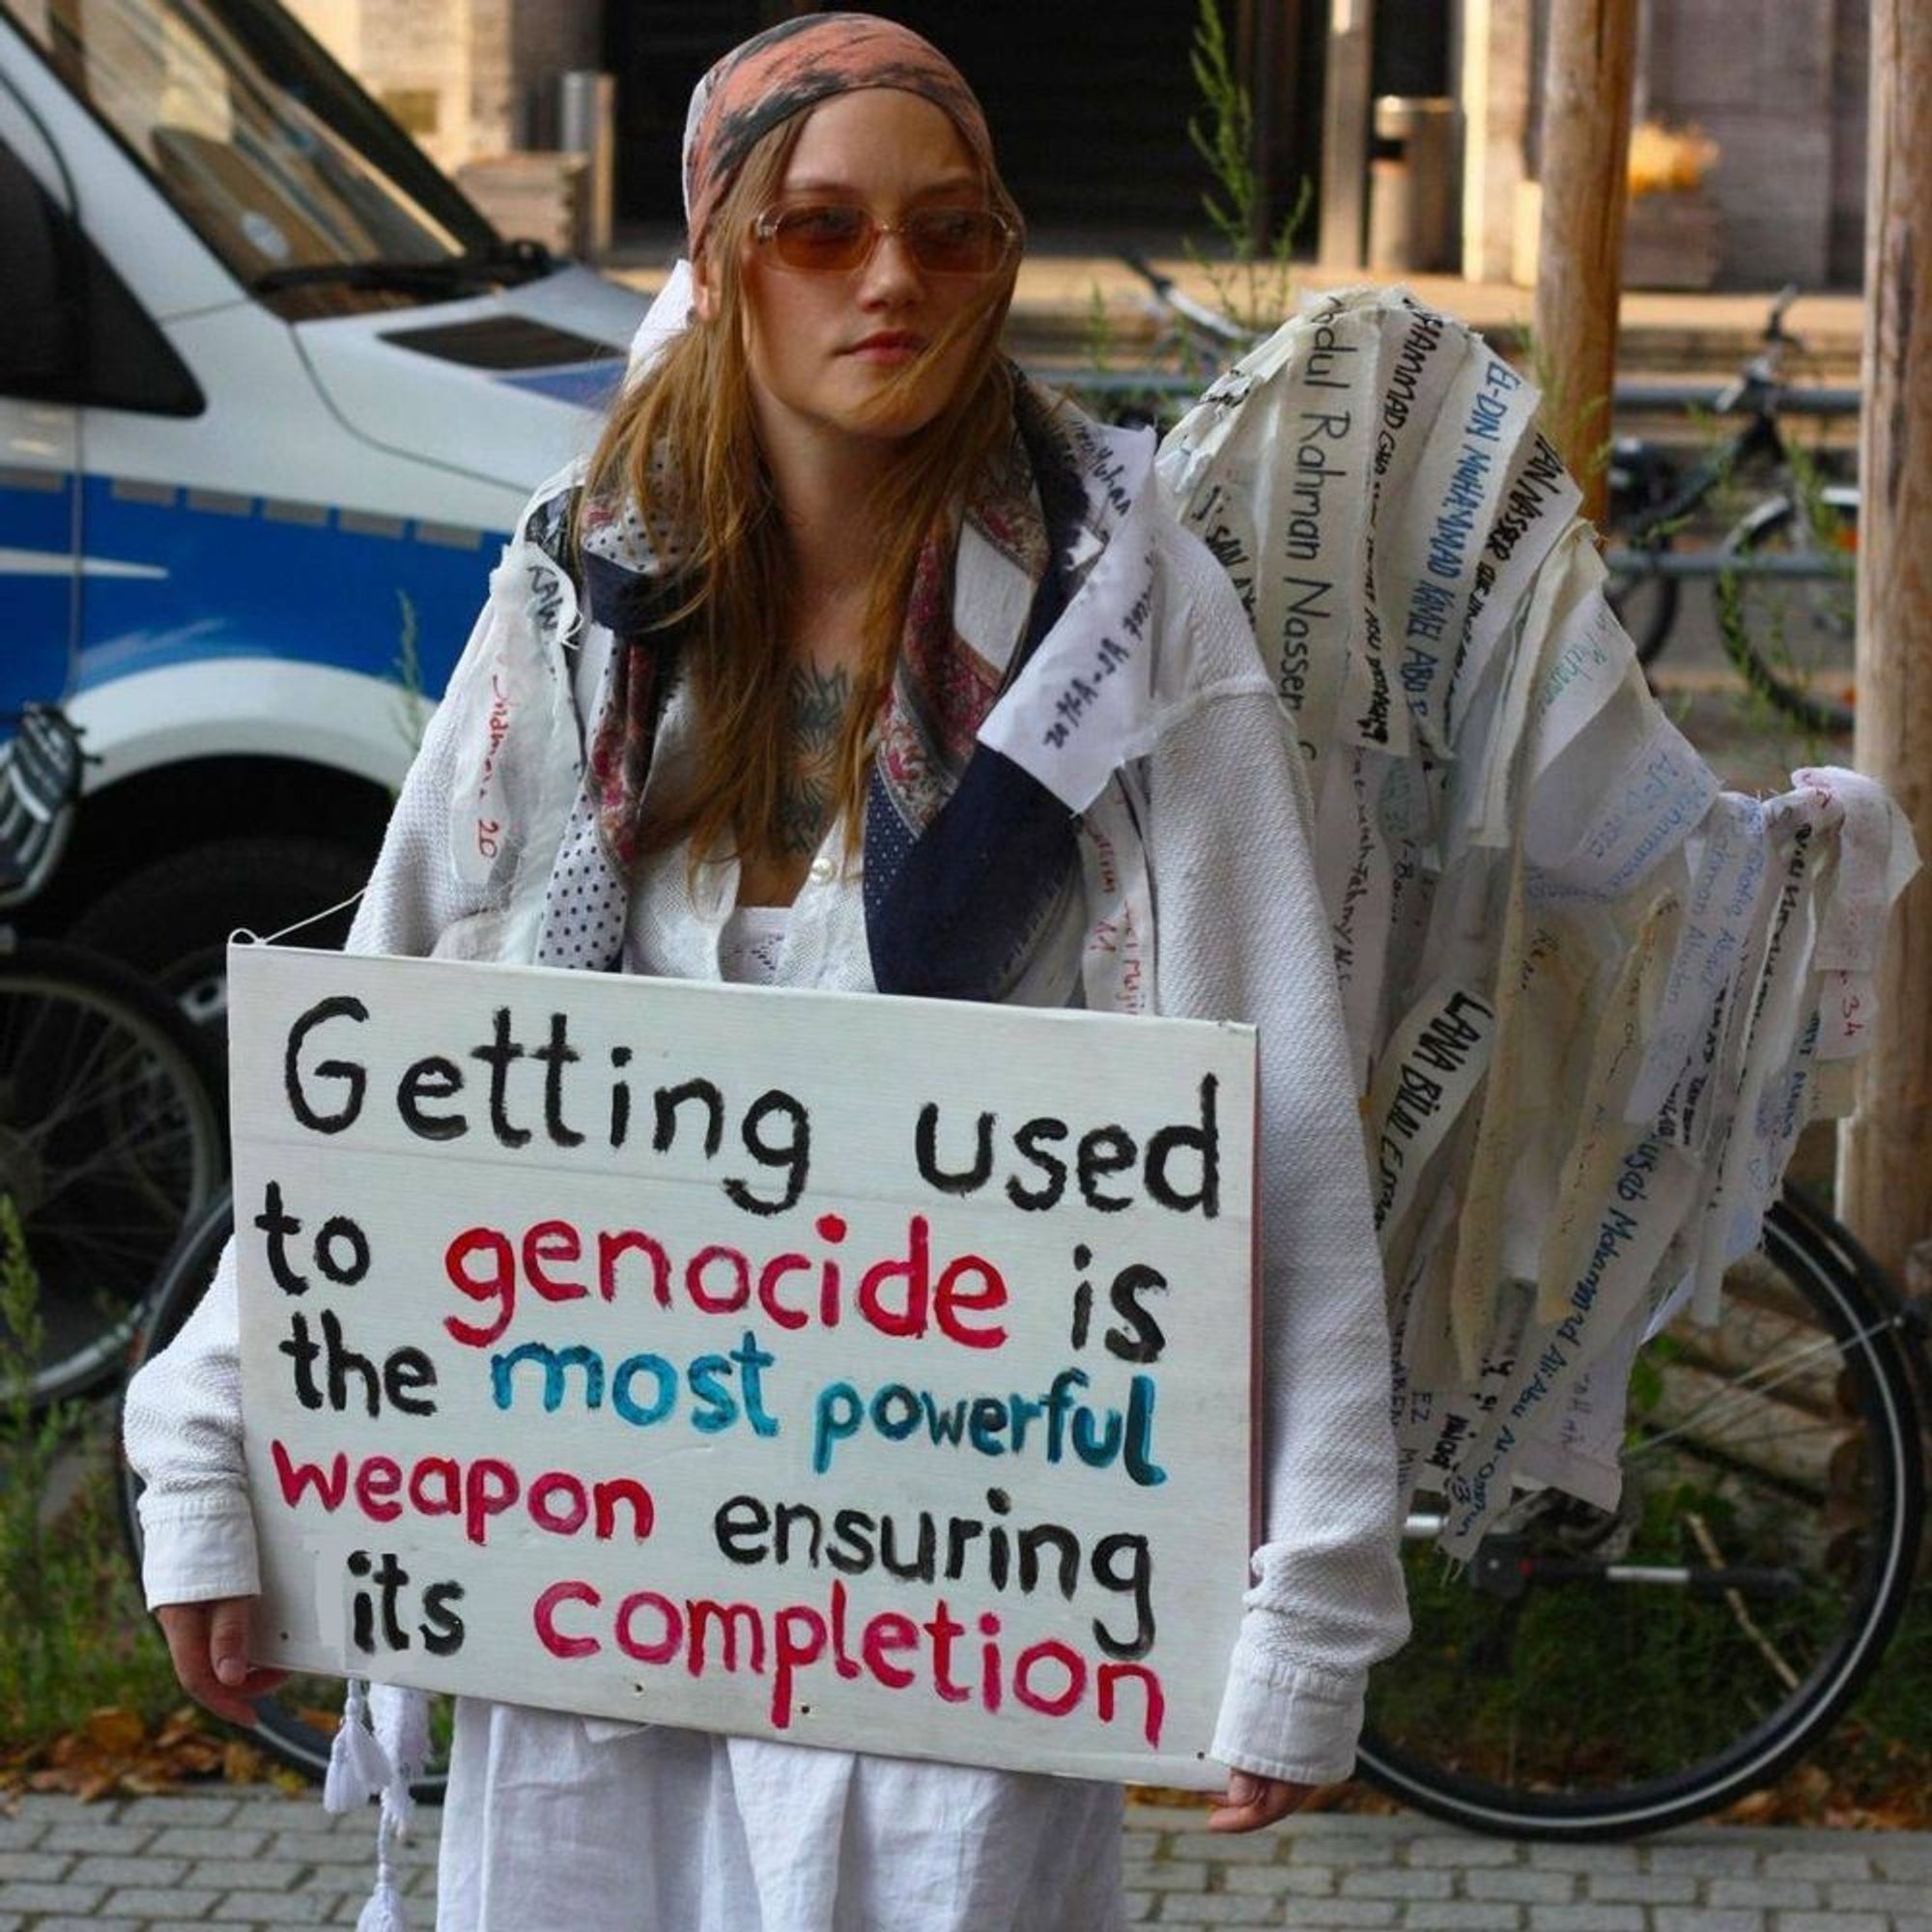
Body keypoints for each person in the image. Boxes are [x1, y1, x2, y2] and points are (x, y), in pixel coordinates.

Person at [124, 16, 1408, 1929]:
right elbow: (405, 1047)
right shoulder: (580, 592)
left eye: (948, 230)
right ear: (719, 257)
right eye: (821, 229)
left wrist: (1312, 1594)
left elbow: (1271, 1116)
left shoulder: (1124, 625)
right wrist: (211, 1447)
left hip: (959, 1603)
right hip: (592, 1569)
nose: (890, 276)